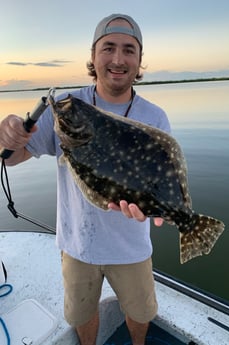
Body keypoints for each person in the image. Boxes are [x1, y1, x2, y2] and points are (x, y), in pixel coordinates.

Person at [0, 14, 171, 345]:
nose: (118, 59)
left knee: (140, 313)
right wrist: (8, 137)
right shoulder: (67, 106)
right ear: (93, 56)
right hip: (78, 244)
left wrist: (160, 205)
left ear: (139, 60)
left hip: (132, 247)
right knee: (81, 314)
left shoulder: (155, 118)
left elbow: (161, 180)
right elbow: (15, 157)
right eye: (108, 48)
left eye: (129, 50)